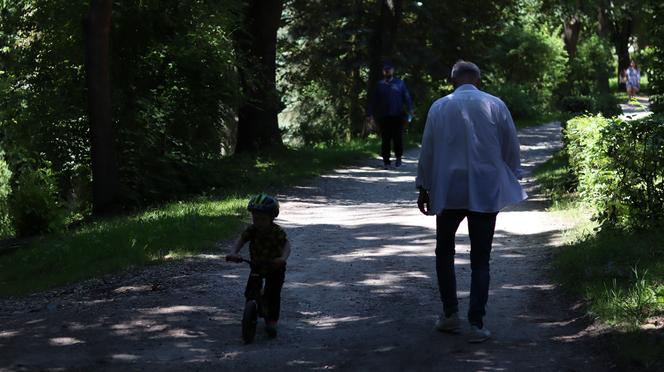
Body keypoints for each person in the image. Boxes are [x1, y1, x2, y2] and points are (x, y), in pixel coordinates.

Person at [415, 61, 526, 343]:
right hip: (484, 187)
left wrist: (423, 186)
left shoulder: (439, 106)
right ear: (479, 80)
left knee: (444, 251)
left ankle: (450, 315)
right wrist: (511, 176)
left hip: (449, 189)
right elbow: (510, 145)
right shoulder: (495, 104)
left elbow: (428, 149)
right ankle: (476, 324)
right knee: (481, 258)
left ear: (452, 80)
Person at [227, 193, 291, 338]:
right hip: (256, 265)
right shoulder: (252, 230)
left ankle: (272, 321)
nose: (258, 222)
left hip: (275, 267)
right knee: (250, 292)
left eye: (263, 219)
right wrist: (234, 252)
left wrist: (282, 258)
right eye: (255, 218)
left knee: (273, 294)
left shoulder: (277, 231)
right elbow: (241, 239)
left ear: (272, 218)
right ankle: (251, 311)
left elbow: (287, 245)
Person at [367, 61, 413, 169]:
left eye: (389, 69)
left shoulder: (400, 83)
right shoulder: (379, 85)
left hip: (397, 116)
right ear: (383, 71)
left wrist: (410, 112)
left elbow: (407, 98)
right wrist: (369, 114)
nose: (387, 71)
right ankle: (386, 161)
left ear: (393, 70)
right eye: (385, 70)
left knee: (398, 139)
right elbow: (373, 101)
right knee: (385, 140)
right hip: (384, 116)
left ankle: (398, 158)